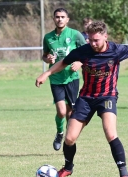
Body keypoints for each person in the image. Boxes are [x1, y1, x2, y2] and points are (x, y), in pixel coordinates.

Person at [35, 21, 128, 177]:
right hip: (85, 98)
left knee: (110, 133)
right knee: (70, 138)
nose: (92, 43)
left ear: (105, 37)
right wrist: (47, 73)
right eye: (90, 40)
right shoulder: (83, 51)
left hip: (107, 96)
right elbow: (63, 62)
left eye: (96, 40)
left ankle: (124, 175)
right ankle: (68, 167)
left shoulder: (116, 50)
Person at [42, 8, 87, 151]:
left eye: (62, 17)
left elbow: (87, 52)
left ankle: (69, 141)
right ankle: (60, 133)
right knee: (61, 111)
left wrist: (80, 62)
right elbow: (44, 55)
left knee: (70, 113)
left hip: (72, 78)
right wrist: (47, 58)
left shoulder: (75, 34)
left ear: (67, 19)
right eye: (57, 17)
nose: (60, 19)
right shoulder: (48, 37)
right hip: (56, 78)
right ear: (53, 19)